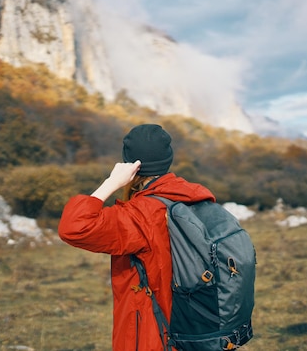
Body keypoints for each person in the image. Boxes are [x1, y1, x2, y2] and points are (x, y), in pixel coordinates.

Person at [58, 123, 215, 350]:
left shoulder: (140, 215)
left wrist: (111, 182)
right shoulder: (195, 198)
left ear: (131, 165)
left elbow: (74, 227)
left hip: (153, 334)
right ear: (167, 159)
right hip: (197, 326)